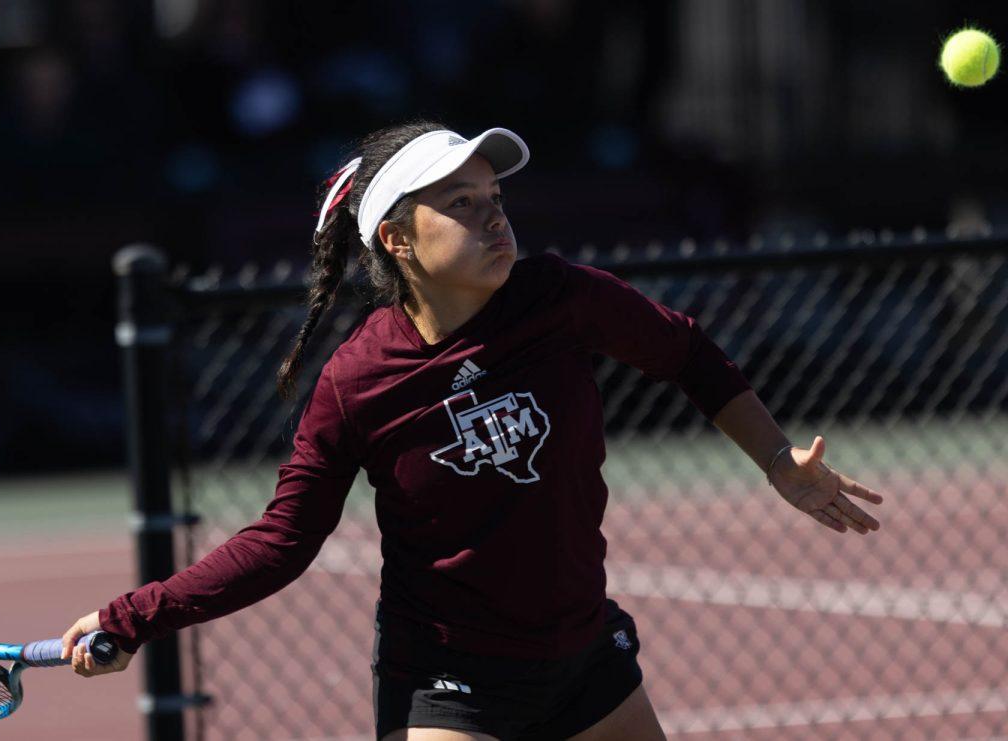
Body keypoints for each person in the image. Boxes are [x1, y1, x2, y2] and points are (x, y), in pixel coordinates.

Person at [60, 121, 884, 740]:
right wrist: (134, 614)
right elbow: (282, 541)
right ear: (396, 240)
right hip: (451, 680)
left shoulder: (558, 297)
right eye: (460, 204)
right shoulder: (357, 381)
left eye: (495, 199)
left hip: (585, 655)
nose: (494, 218)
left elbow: (687, 352)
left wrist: (778, 460)